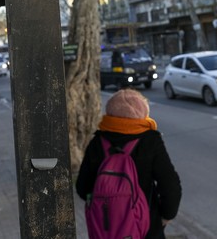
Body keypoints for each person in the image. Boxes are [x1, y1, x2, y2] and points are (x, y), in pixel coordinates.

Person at [76, 89, 182, 239]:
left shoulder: (97, 142)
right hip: (147, 227)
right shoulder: (150, 140)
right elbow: (170, 185)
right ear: (142, 111)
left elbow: (82, 187)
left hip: (105, 228)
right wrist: (166, 216)